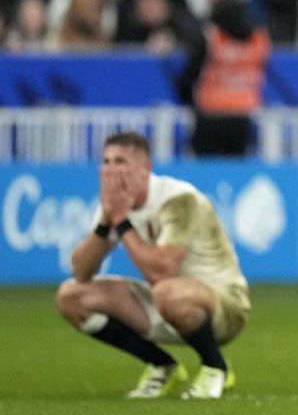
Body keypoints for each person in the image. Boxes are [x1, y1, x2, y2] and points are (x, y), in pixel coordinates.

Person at [53, 132, 251, 400]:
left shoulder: (179, 199)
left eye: (120, 161)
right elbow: (82, 271)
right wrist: (105, 223)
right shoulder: (114, 204)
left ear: (145, 167)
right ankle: (162, 365)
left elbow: (161, 270)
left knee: (167, 291)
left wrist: (122, 220)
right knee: (72, 296)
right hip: (165, 301)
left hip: (223, 306)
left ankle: (215, 367)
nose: (111, 170)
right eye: (106, 161)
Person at [175, 0, 270, 157]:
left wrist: (190, 103)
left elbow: (187, 77)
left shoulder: (211, 38)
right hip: (242, 115)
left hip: (210, 116)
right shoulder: (259, 40)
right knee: (236, 172)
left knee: (203, 173)